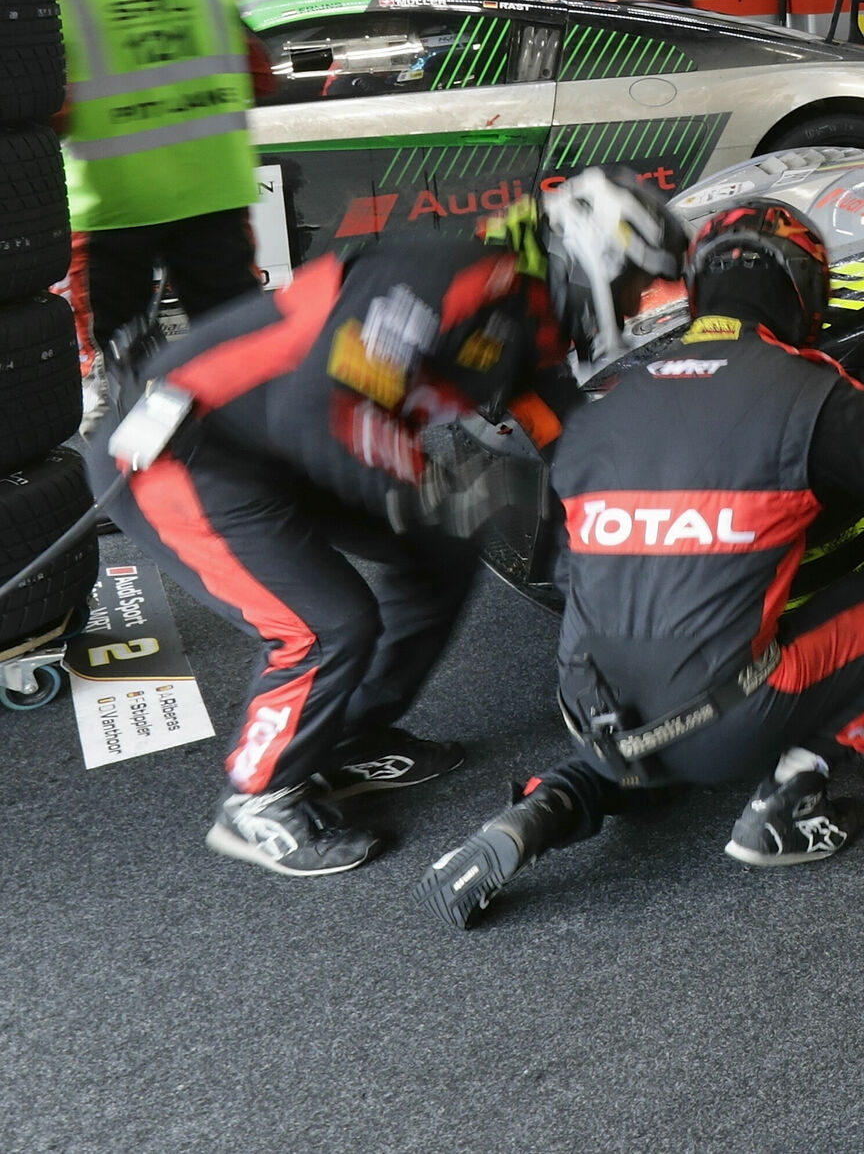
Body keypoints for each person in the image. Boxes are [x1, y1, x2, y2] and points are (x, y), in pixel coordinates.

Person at [93, 167, 687, 876]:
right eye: (634, 285)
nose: (634, 304)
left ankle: (345, 735)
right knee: (324, 625)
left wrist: (642, 542)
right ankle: (258, 798)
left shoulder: (531, 317)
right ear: (594, 257)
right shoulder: (449, 276)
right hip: (185, 455)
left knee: (442, 548)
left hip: (276, 452)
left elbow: (574, 447)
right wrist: (425, 487)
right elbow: (321, 407)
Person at [417, 203, 864, 926]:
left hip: (588, 712)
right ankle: (791, 798)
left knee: (652, 715)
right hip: (723, 724)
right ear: (804, 288)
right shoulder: (818, 393)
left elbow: (562, 571)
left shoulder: (608, 399)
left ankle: (543, 808)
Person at [4, 0, 271, 384]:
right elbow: (258, 77)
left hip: (114, 210)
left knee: (118, 361)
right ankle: (261, 446)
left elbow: (50, 113)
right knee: (244, 349)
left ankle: (131, 456)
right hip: (215, 196)